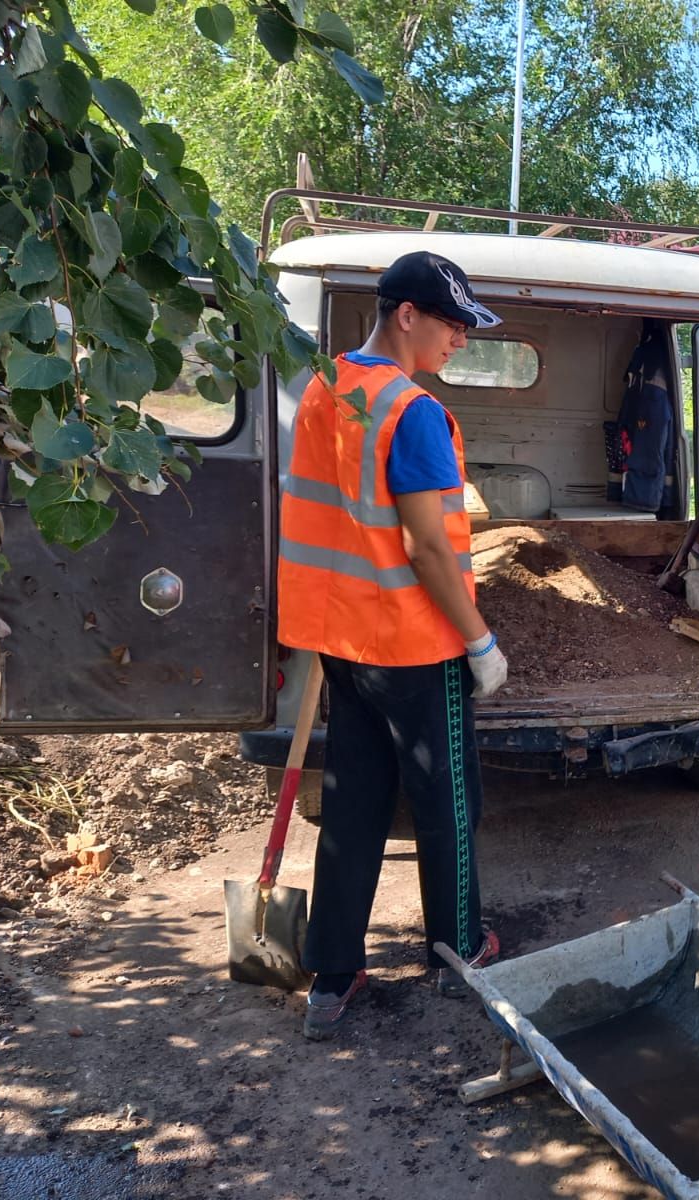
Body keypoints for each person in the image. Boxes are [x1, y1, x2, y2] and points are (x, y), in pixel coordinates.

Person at [277, 251, 510, 1041]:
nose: (459, 342)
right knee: (448, 803)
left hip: (342, 639)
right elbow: (428, 549)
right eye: (452, 325)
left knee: (354, 801)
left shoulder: (326, 387)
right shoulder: (411, 411)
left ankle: (332, 973)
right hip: (413, 644)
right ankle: (461, 949)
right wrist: (478, 641)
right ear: (405, 315)